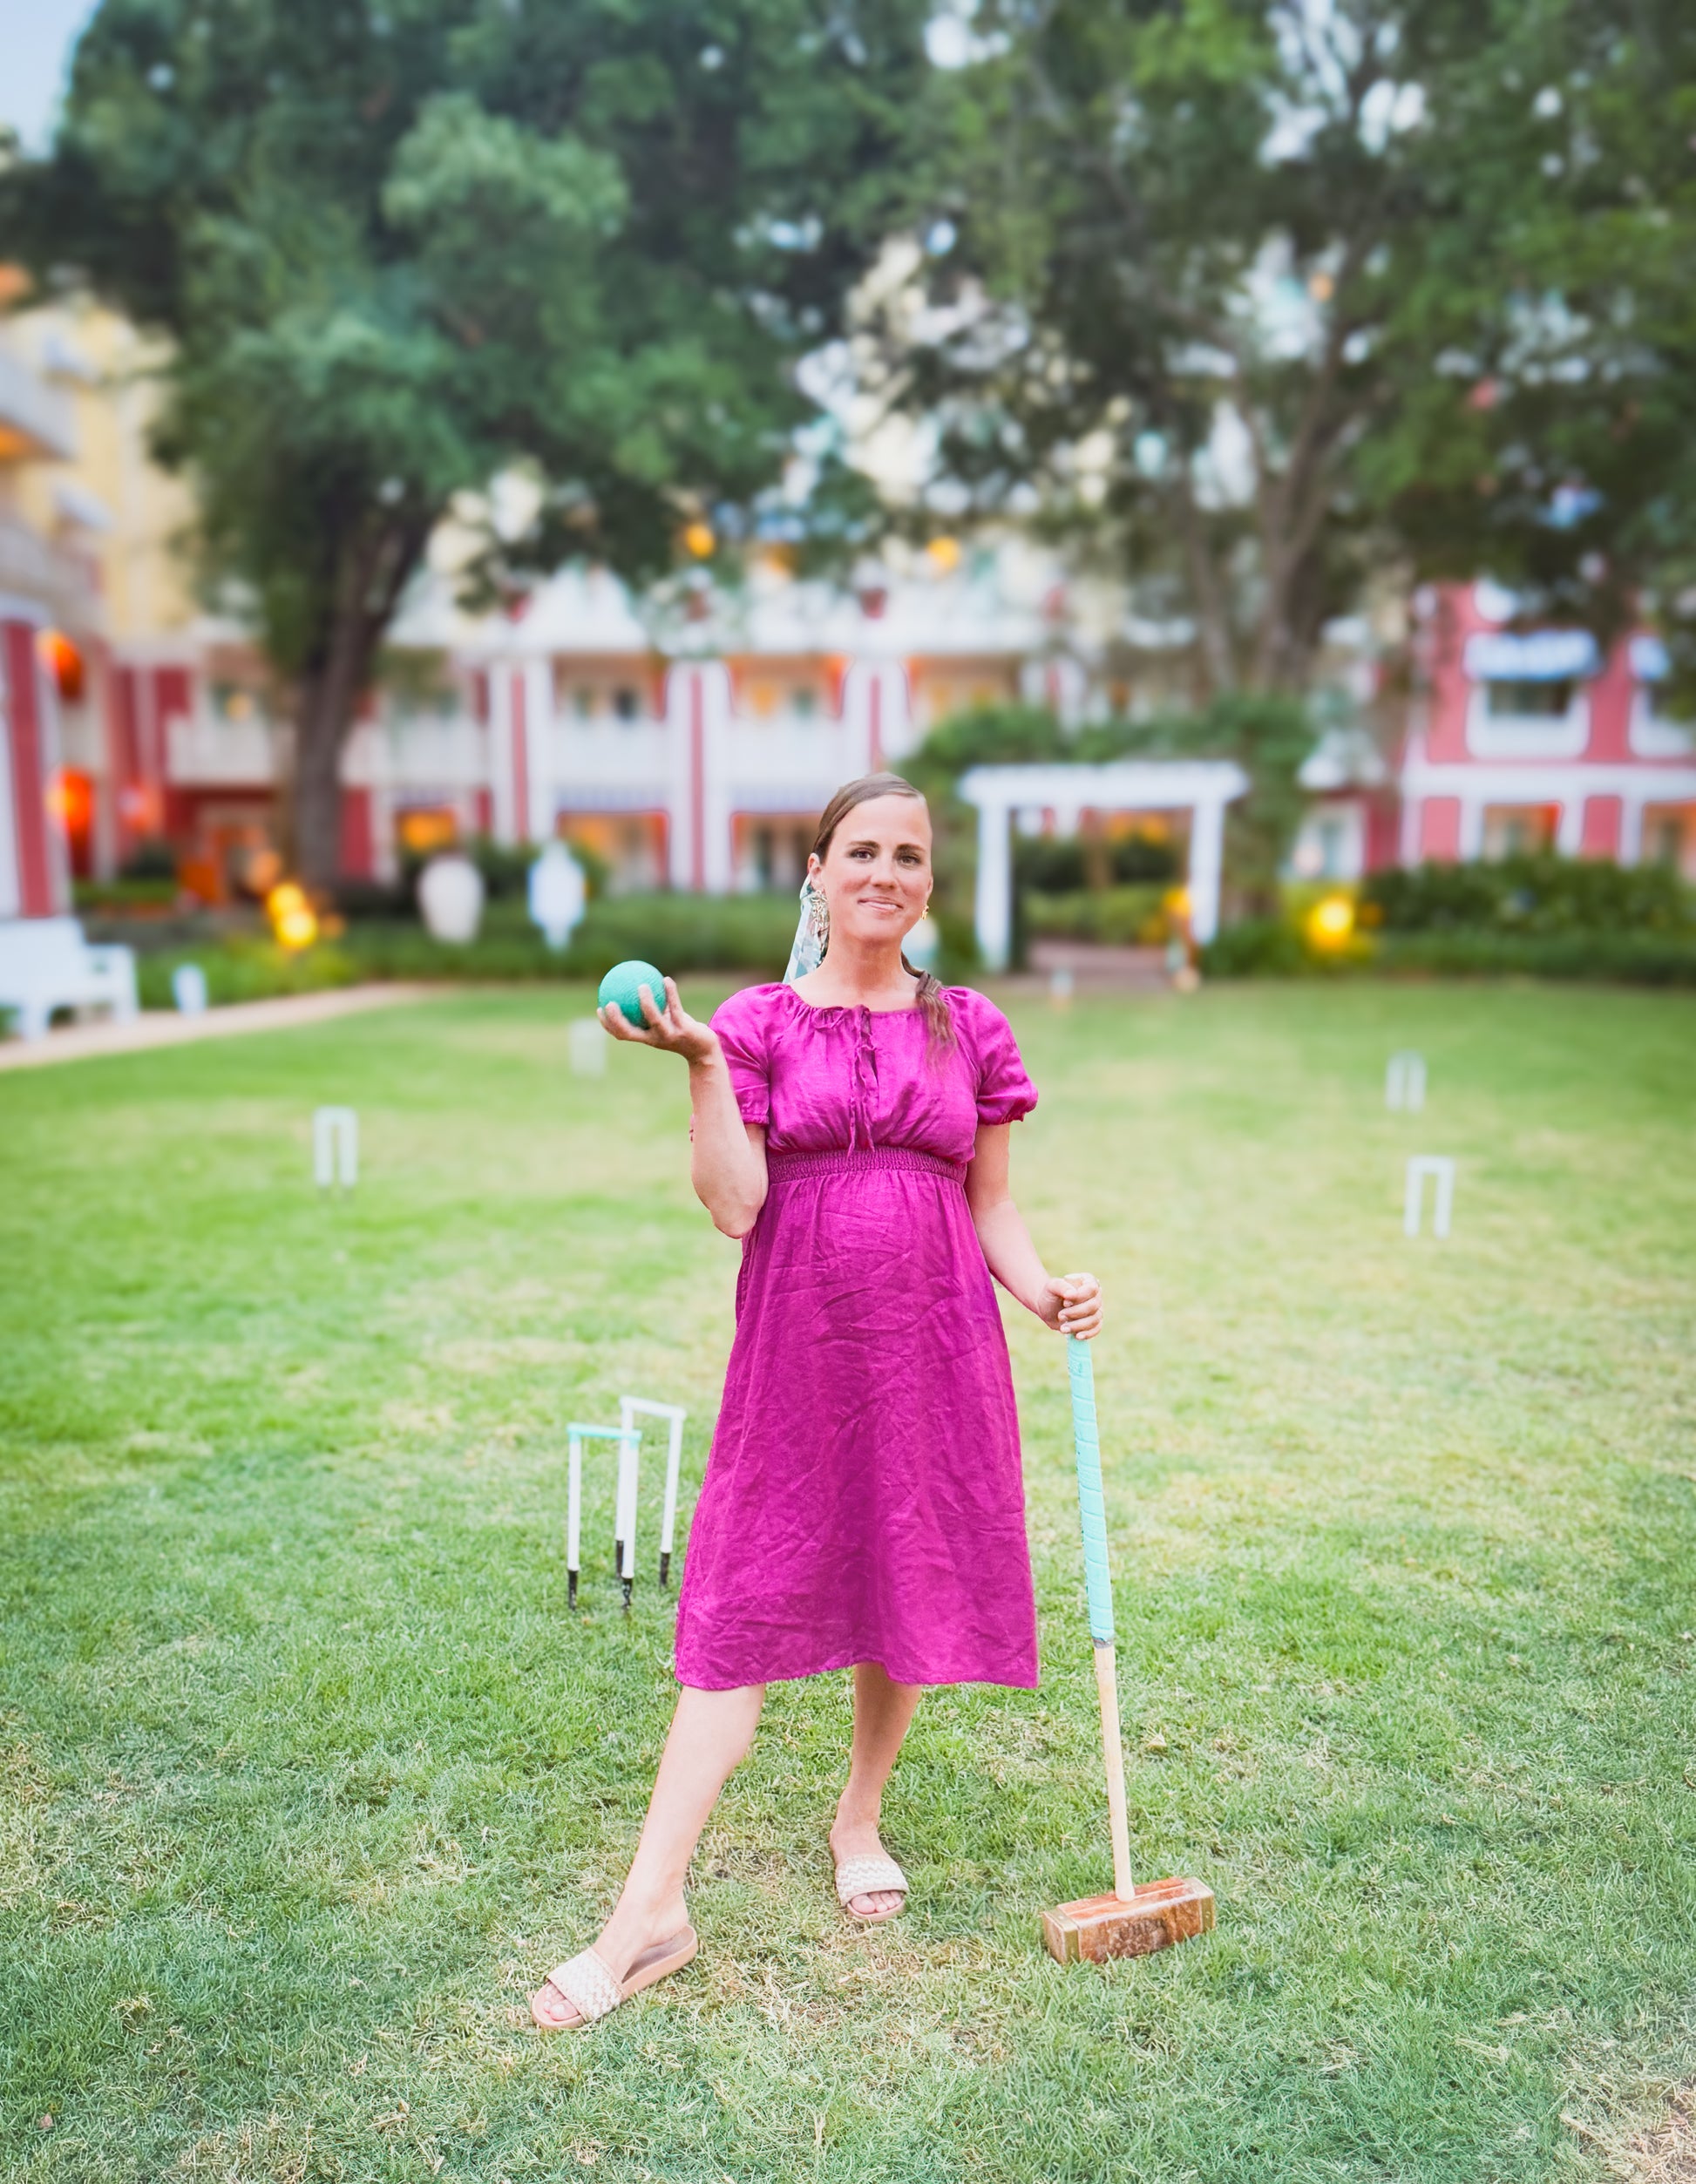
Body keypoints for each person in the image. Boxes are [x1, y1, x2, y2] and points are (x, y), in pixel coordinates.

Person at [530, 772, 1102, 2031]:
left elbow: (988, 1199)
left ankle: (859, 1815)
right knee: (738, 1603)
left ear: (928, 882)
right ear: (817, 870)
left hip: (935, 1339)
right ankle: (647, 1913)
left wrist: (1042, 1289)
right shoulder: (754, 1022)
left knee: (900, 1577)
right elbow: (735, 1201)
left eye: (907, 854)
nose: (884, 872)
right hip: (797, 1348)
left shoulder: (969, 1027)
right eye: (861, 851)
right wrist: (695, 1064)